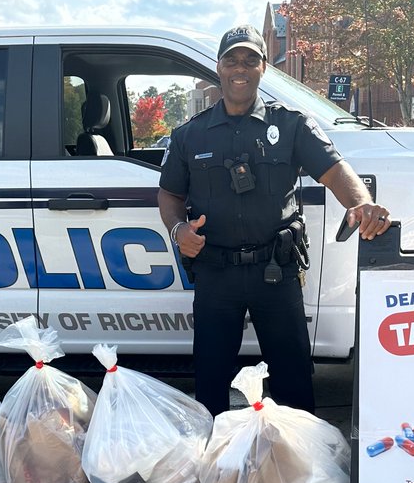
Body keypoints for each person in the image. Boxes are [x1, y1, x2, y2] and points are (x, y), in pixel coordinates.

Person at [157, 24, 390, 416]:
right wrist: (178, 230)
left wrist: (361, 203)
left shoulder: (291, 125)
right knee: (211, 383)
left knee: (294, 381)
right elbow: (169, 194)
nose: (240, 68)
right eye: (232, 59)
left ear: (264, 67)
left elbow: (335, 171)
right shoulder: (189, 136)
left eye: (250, 60)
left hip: (275, 270)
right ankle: (217, 468)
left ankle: (301, 469)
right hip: (215, 271)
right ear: (218, 66)